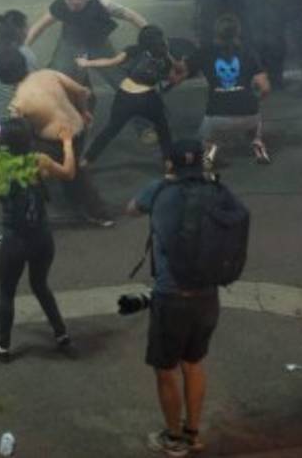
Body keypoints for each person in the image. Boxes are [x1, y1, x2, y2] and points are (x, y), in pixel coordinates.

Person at [127, 140, 225, 458]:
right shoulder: (215, 190)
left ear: (170, 164)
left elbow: (131, 208)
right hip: (208, 294)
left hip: (172, 295)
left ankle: (173, 436)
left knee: (165, 368)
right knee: (194, 363)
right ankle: (193, 433)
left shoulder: (158, 190)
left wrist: (165, 183)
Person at [0, 118, 74, 363]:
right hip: (42, 236)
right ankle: (61, 333)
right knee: (40, 285)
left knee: (7, 292)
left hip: (15, 239)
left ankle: (3, 347)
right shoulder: (39, 160)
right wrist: (67, 143)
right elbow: (69, 172)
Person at [0, 50, 114, 226]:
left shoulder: (18, 103)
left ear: (2, 79)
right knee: (73, 174)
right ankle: (81, 203)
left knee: (73, 175)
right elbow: (82, 91)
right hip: (78, 129)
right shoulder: (49, 74)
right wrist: (84, 111)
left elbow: (18, 133)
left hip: (56, 140)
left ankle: (99, 214)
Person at [77, 25, 186, 167]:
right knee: (163, 130)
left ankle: (86, 161)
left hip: (125, 97)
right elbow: (174, 79)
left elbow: (111, 62)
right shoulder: (165, 58)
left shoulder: (133, 50)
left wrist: (87, 63)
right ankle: (169, 164)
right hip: (148, 98)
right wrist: (181, 72)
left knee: (110, 130)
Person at [25, 0, 148, 87]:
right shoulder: (61, 4)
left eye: (77, 5)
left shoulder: (102, 3)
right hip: (70, 44)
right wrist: (23, 48)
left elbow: (131, 16)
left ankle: (140, 99)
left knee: (118, 78)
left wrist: (152, 37)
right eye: (69, 3)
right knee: (57, 79)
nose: (72, 8)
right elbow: (39, 26)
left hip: (98, 45)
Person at [193, 13, 272, 165]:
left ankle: (210, 154)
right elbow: (265, 88)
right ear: (238, 32)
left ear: (216, 32)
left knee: (205, 139)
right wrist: (256, 102)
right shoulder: (249, 52)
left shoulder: (204, 52)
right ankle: (258, 145)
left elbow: (182, 70)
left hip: (216, 118)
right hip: (249, 115)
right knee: (256, 115)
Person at [0, 10, 38, 120]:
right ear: (21, 30)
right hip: (13, 120)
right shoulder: (24, 53)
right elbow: (33, 90)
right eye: (27, 28)